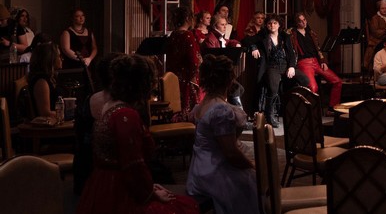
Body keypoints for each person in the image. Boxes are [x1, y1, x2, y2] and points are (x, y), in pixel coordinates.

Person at [77, 54, 199, 214]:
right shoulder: (125, 116)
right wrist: (150, 193)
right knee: (185, 207)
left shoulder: (110, 106)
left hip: (103, 184)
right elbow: (132, 165)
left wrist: (149, 186)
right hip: (120, 189)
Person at [187, 54, 257, 214]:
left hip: (199, 169)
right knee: (253, 184)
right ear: (229, 80)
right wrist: (252, 166)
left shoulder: (201, 105)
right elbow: (231, 153)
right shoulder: (220, 111)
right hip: (215, 173)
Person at [73, 52, 125, 195]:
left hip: (85, 170)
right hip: (115, 176)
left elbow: (79, 136)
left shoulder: (88, 99)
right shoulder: (126, 105)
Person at [248, 15, 307, 127]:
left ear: (279, 25)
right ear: (266, 25)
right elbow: (247, 40)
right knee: (273, 88)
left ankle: (298, 109)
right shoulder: (263, 36)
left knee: (304, 80)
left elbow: (291, 54)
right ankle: (269, 115)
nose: (272, 25)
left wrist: (292, 67)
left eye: (275, 23)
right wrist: (254, 48)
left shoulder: (285, 36)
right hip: (272, 66)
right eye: (270, 23)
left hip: (285, 66)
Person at [288, 12, 343, 114]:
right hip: (304, 62)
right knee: (313, 87)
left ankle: (331, 108)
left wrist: (323, 61)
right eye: (300, 21)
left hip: (316, 62)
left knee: (337, 81)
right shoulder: (292, 33)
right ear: (296, 23)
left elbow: (318, 49)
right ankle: (311, 112)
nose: (303, 22)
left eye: (304, 20)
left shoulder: (311, 33)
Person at [165, 6, 204, 121]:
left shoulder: (173, 35)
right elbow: (195, 61)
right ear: (187, 18)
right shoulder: (188, 35)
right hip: (188, 79)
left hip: (175, 77)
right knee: (189, 111)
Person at [59, 8, 97, 98]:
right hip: (74, 65)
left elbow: (94, 48)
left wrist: (89, 59)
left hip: (88, 64)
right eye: (77, 16)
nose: (81, 18)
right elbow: (66, 49)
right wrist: (80, 59)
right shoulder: (67, 32)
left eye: (82, 15)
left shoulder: (89, 31)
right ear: (72, 18)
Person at [26, 37, 63, 118]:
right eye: (59, 56)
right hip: (46, 127)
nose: (61, 59)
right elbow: (45, 113)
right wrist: (66, 115)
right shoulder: (41, 82)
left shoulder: (50, 77)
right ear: (50, 59)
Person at [363, 0, 386, 78]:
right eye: (382, 8)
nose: (384, 10)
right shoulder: (375, 18)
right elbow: (375, 32)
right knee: (381, 46)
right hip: (377, 41)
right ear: (379, 9)